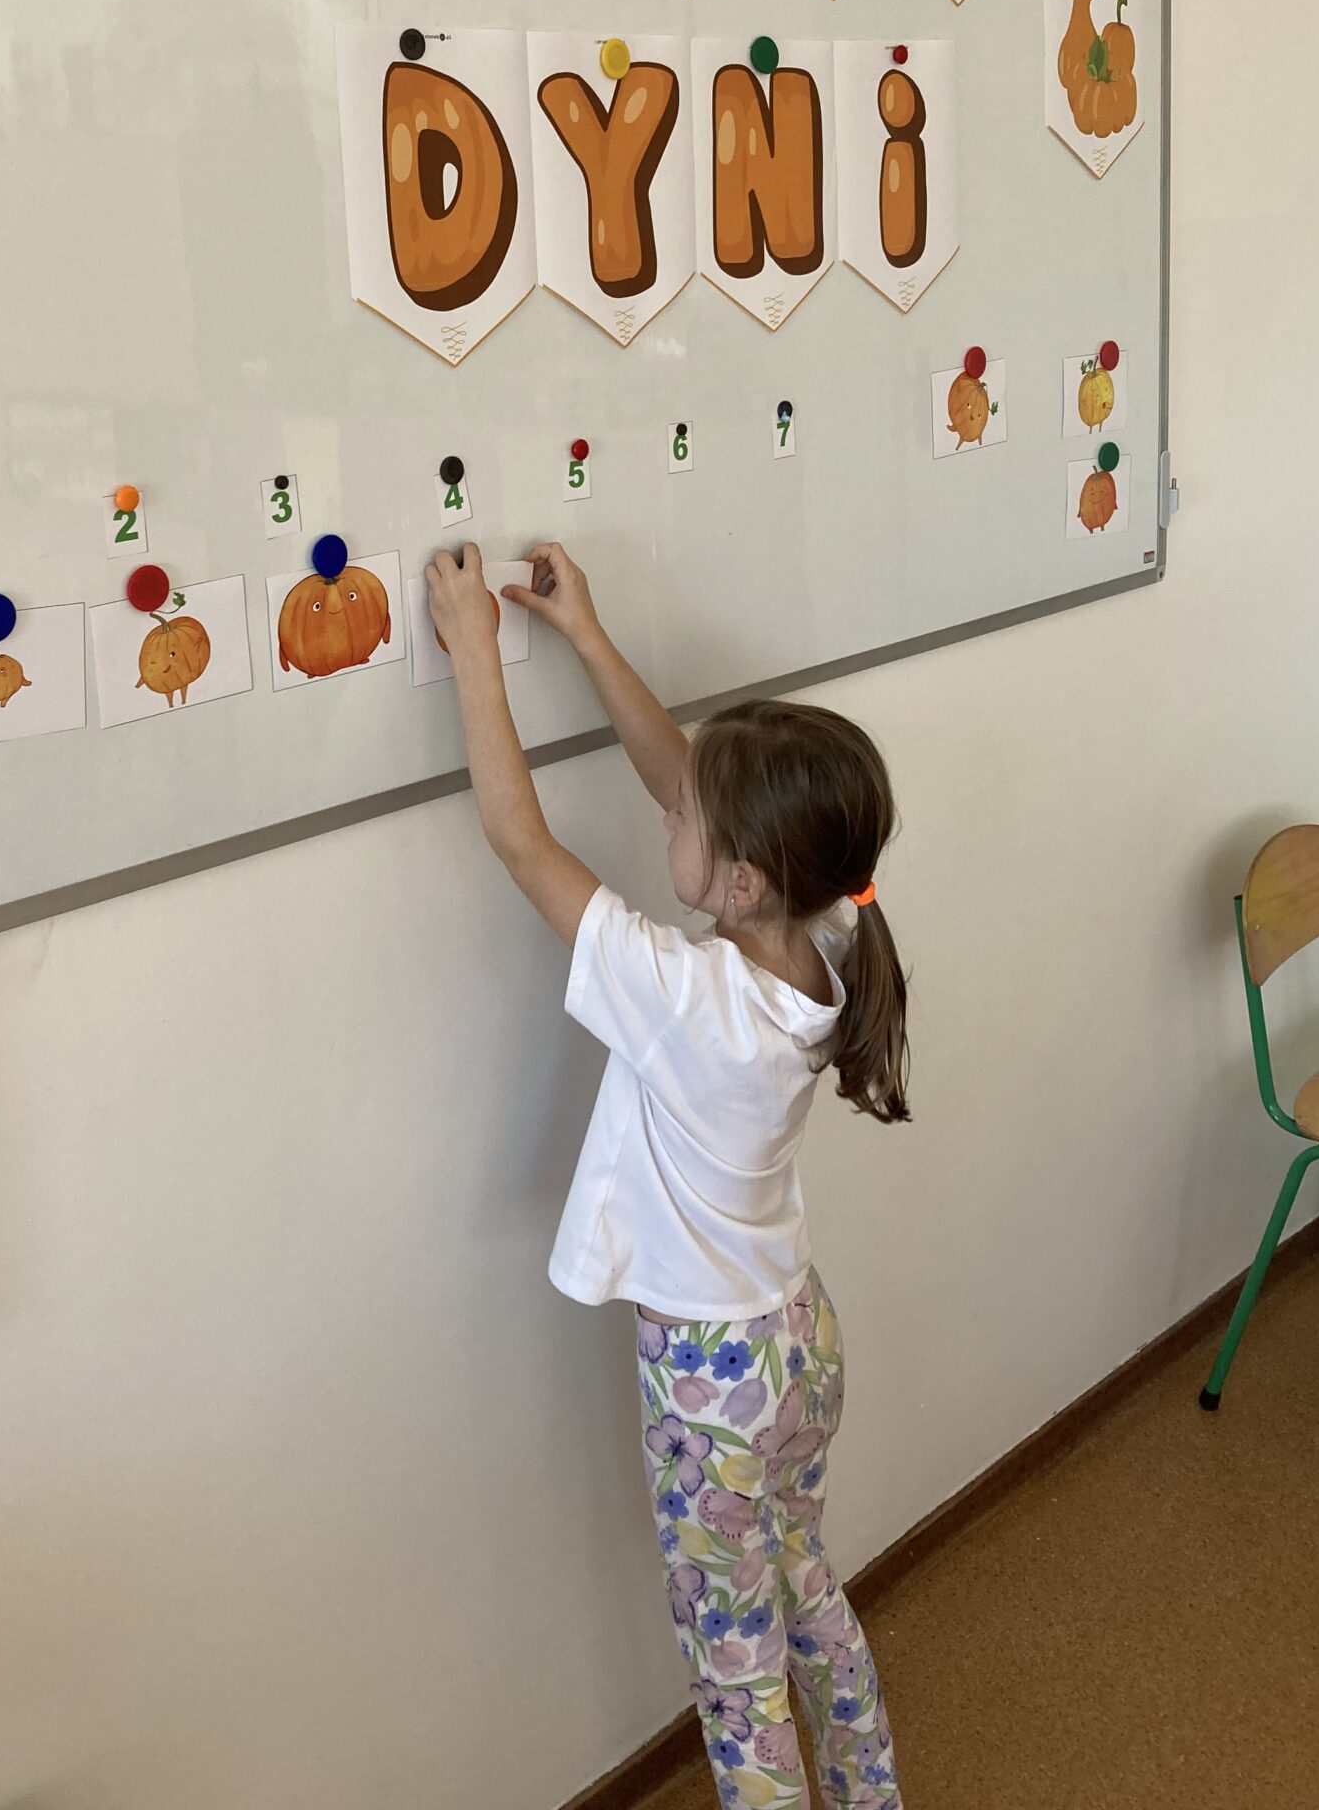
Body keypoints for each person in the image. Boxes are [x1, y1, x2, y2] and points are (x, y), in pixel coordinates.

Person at [425, 540, 909, 1810]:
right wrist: (586, 635)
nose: (665, 814)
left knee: (736, 1679)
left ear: (742, 876)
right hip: (796, 1341)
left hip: (712, 1381)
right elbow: (685, 781)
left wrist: (476, 651)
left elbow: (521, 842)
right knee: (806, 1585)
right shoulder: (830, 934)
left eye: (685, 820)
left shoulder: (692, 1001)